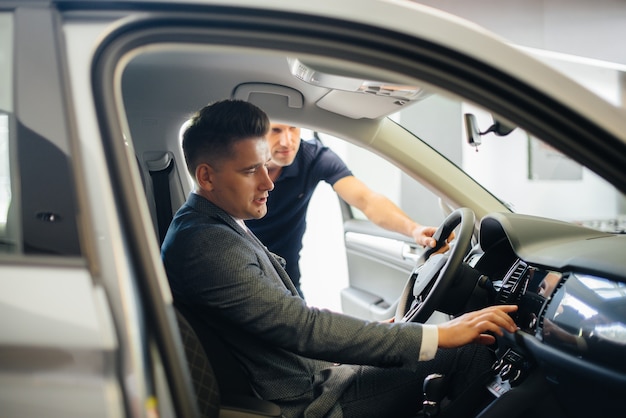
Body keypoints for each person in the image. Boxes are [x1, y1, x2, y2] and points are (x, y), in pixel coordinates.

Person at [161, 99, 518, 418]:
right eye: (250, 170)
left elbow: (364, 200)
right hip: (307, 401)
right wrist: (438, 335)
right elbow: (303, 327)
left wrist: (386, 333)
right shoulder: (207, 244)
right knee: (471, 351)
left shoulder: (210, 223)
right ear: (206, 176)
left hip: (309, 375)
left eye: (264, 167)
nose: (268, 184)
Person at [246, 123, 445, 298]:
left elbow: (367, 201)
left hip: (286, 278)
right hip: (240, 270)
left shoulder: (313, 157)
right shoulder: (237, 164)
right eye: (276, 130)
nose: (287, 141)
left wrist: (414, 230)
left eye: (293, 128)